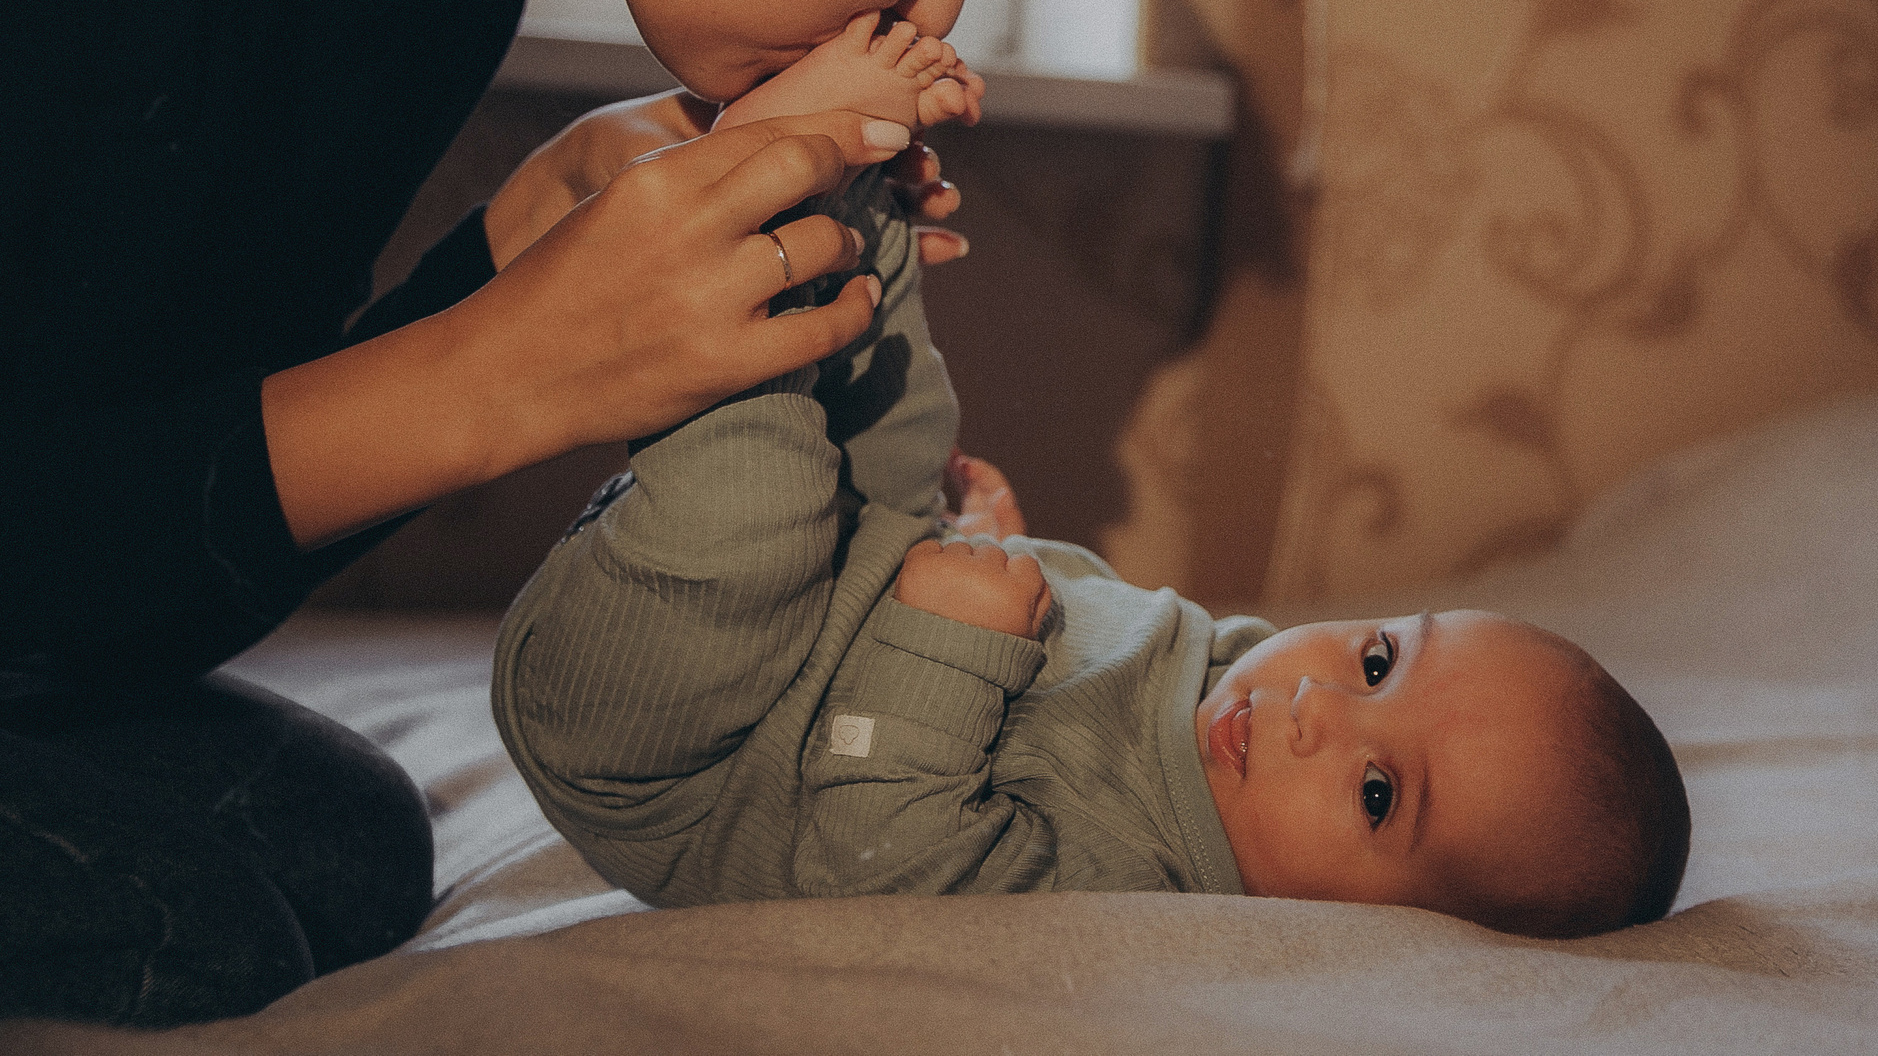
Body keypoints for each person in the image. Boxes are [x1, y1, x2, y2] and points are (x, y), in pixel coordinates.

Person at [0, 0, 1168, 1026]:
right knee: (203, 908)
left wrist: (524, 251)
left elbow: (101, 579)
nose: (938, 11)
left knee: (325, 848)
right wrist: (498, 370)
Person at [495, 66, 1693, 936]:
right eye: (1382, 660)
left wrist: (948, 646)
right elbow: (1066, 652)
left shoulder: (1143, 883)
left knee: (757, 497)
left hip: (680, 743)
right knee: (908, 411)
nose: (1316, 705)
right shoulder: (1217, 667)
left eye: (1377, 796)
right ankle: (846, 200)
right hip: (827, 606)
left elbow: (880, 868)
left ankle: (715, 238)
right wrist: (991, 554)